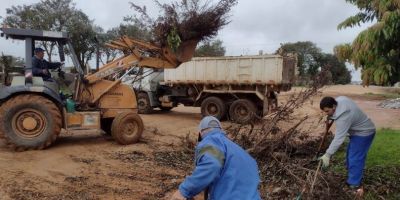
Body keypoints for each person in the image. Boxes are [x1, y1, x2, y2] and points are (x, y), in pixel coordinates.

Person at [170, 116, 261, 200]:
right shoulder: (241, 153)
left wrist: (183, 191)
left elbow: (212, 165)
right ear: (221, 130)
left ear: (200, 134)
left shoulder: (211, 141)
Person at [319, 96, 375, 191]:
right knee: (350, 155)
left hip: (364, 133)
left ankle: (354, 184)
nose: (326, 113)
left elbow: (339, 138)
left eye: (327, 111)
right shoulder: (340, 99)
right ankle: (353, 175)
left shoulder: (344, 118)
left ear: (333, 106)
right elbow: (336, 114)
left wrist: (327, 154)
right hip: (357, 131)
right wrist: (331, 115)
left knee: (355, 158)